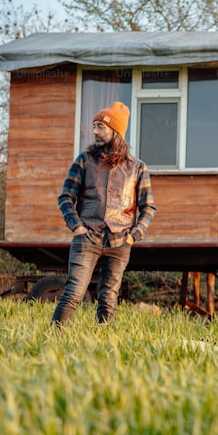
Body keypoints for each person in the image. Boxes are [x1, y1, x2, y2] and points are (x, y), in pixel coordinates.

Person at [52, 101, 156, 326]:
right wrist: (77, 227)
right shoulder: (84, 160)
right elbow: (65, 197)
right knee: (74, 293)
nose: (94, 131)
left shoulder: (138, 168)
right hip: (87, 236)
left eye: (100, 126)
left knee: (109, 298)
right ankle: (53, 338)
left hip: (120, 242)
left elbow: (148, 208)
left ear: (115, 131)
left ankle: (104, 345)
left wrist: (133, 236)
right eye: (94, 126)